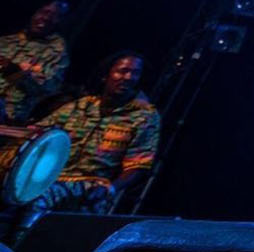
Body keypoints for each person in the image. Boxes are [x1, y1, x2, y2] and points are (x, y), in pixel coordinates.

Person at [11, 51, 158, 228]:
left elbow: (138, 165)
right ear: (106, 75)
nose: (128, 77)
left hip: (93, 184)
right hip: (52, 176)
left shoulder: (144, 116)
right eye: (122, 71)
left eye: (135, 73)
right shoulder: (81, 105)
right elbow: (37, 132)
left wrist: (111, 188)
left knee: (41, 196)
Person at [0, 1, 70, 125]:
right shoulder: (7, 41)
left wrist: (16, 72)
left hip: (9, 119)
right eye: (44, 12)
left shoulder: (56, 52)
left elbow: (48, 88)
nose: (46, 18)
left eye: (54, 16)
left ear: (61, 21)